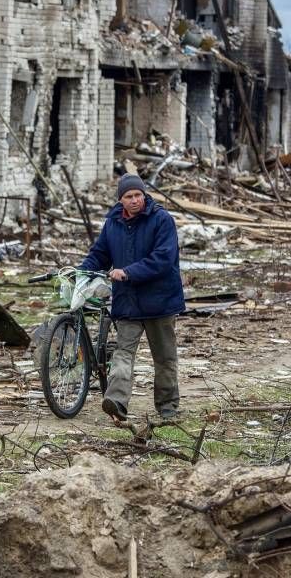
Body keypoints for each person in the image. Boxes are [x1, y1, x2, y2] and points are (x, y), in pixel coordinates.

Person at [79, 173, 185, 421]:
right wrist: (82, 271)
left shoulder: (162, 220)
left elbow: (162, 258)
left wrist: (127, 272)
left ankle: (168, 407)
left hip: (160, 301)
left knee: (164, 357)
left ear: (145, 195)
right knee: (123, 353)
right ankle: (117, 403)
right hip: (128, 301)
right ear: (121, 200)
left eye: (138, 195)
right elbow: (100, 254)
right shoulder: (114, 223)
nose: (135, 200)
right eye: (129, 196)